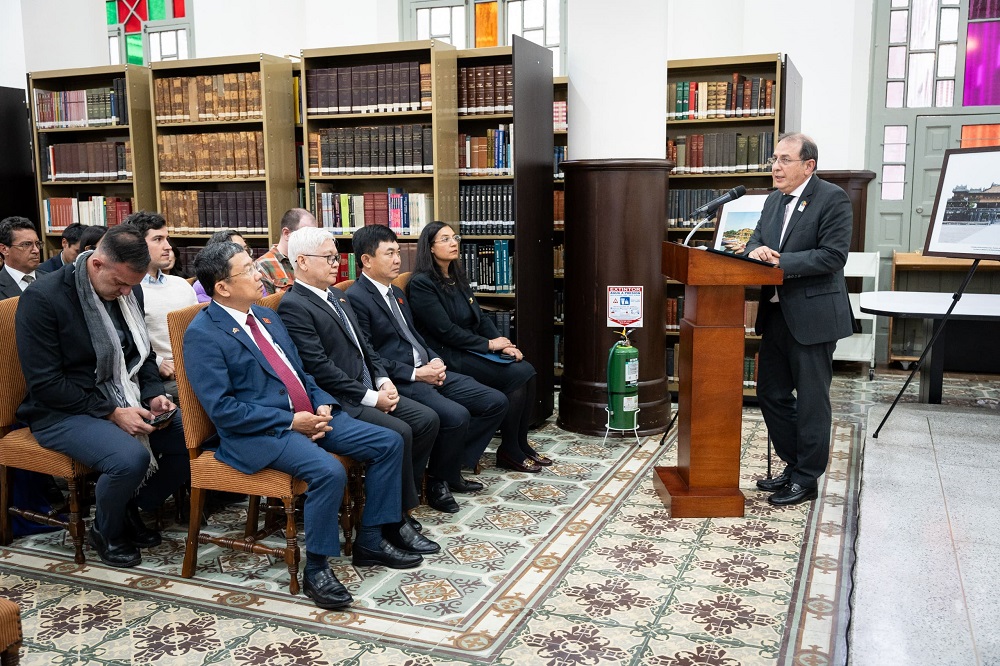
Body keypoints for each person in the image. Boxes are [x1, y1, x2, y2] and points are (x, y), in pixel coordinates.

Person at [183, 242, 424, 610]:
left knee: (388, 442)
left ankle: (371, 540)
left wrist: (321, 401)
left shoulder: (264, 315)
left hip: (307, 414)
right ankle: (318, 568)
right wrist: (290, 421)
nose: (260, 274)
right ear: (223, 287)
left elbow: (300, 372)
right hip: (260, 432)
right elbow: (224, 410)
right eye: (248, 270)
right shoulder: (204, 333)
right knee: (328, 471)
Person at [15, 224, 189, 568]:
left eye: (132, 285)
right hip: (61, 410)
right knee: (129, 459)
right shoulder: (44, 298)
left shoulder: (129, 291)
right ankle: (106, 530)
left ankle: (131, 505)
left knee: (190, 435)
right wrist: (112, 411)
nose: (125, 293)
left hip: (125, 395)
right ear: (97, 264)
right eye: (119, 283)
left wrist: (154, 395)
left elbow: (143, 357)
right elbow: (46, 383)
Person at [277, 227, 443, 534]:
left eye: (336, 256)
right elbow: (321, 368)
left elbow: (366, 346)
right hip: (342, 399)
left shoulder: (337, 295)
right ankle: (395, 519)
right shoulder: (294, 305)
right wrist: (371, 398)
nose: (335, 263)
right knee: (400, 431)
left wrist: (382, 380)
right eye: (328, 257)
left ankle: (400, 506)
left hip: (367, 387)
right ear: (301, 262)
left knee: (426, 419)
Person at [346, 224, 508, 510]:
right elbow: (369, 357)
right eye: (390, 253)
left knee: (494, 401)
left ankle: (450, 467)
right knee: (455, 415)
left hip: (427, 368)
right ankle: (436, 483)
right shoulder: (357, 299)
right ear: (366, 260)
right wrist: (416, 373)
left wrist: (434, 360)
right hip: (402, 379)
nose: (397, 259)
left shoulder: (395, 292)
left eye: (398, 252)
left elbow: (415, 337)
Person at [744, 132, 853, 507]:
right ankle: (795, 466)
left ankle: (807, 478)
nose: (775, 167)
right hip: (775, 314)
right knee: (771, 395)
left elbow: (833, 256)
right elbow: (753, 241)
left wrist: (781, 262)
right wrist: (755, 250)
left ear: (809, 165)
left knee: (811, 402)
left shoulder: (832, 198)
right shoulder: (773, 201)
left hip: (813, 316)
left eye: (784, 159)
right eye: (774, 159)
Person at [408, 222, 551, 473]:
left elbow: (481, 318)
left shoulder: (455, 276)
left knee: (526, 370)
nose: (453, 243)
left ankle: (518, 444)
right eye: (444, 239)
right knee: (519, 375)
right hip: (446, 354)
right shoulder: (422, 284)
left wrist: (504, 345)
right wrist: (488, 345)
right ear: (429, 248)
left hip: (469, 348)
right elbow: (445, 331)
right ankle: (509, 450)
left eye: (454, 237)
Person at [125, 212, 198, 398]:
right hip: (160, 378)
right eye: (158, 239)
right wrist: (157, 363)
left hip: (196, 366)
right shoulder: (127, 291)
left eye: (167, 238)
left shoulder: (181, 284)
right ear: (138, 245)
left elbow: (200, 331)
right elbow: (125, 343)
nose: (167, 247)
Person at [191, 229, 264, 303]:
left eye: (246, 249)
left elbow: (263, 303)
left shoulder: (253, 277)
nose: (244, 254)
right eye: (237, 250)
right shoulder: (202, 287)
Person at [257, 208, 318, 294]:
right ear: (286, 233)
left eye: (313, 235)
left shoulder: (313, 259)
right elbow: (265, 305)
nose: (312, 240)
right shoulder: (263, 266)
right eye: (305, 234)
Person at [0, 216, 46, 299]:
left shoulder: (51, 280)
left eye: (37, 244)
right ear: (4, 249)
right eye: (26, 244)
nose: (36, 250)